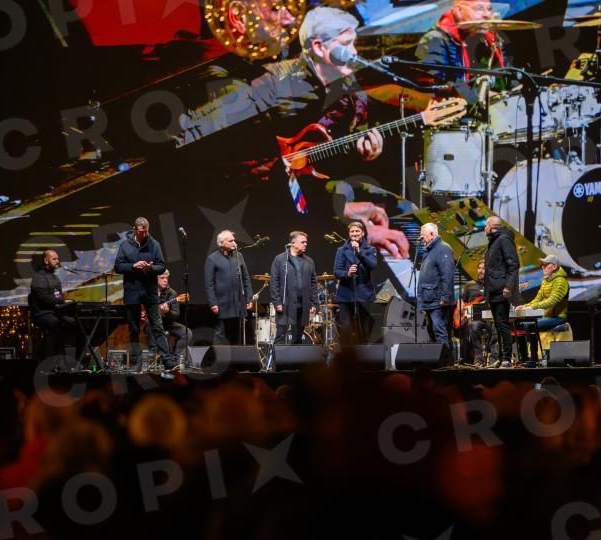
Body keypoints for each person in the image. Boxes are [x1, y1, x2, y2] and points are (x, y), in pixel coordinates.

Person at [173, 6, 410, 259]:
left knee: (399, 206)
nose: (289, 19)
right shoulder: (262, 87)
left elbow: (304, 163)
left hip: (301, 192)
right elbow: (253, 184)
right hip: (259, 219)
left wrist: (362, 156)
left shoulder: (341, 86)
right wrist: (341, 218)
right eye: (276, 8)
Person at [415, 0, 509, 108]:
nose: (487, 15)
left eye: (489, 9)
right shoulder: (434, 39)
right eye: (479, 9)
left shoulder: (482, 39)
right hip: (452, 113)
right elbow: (437, 86)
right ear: (459, 11)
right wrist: (478, 97)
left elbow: (502, 76)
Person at [114, 217, 176, 371]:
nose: (143, 235)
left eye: (146, 232)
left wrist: (151, 268)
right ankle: (137, 361)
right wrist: (133, 266)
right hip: (132, 292)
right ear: (135, 229)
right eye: (141, 232)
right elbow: (118, 266)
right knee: (134, 328)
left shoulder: (154, 244)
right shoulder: (125, 245)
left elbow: (161, 266)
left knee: (157, 326)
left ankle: (167, 360)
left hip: (149, 292)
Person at [28, 250, 86, 370]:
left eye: (58, 259)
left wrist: (65, 302)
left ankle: (77, 363)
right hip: (42, 313)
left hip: (55, 312)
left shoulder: (54, 277)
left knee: (80, 325)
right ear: (46, 260)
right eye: (54, 259)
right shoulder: (38, 277)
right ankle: (57, 363)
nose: (57, 261)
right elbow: (44, 298)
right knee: (56, 324)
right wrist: (63, 301)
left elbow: (57, 296)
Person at [516, 255, 570, 364]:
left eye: (546, 265)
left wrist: (532, 307)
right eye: (542, 265)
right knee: (519, 324)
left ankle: (533, 359)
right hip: (546, 316)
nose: (542, 267)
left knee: (530, 326)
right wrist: (525, 306)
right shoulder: (545, 280)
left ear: (554, 266)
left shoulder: (561, 281)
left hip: (558, 317)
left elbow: (552, 301)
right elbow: (538, 298)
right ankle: (525, 359)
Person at [204, 230, 254, 344]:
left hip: (238, 302)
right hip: (222, 303)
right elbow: (209, 283)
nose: (234, 243)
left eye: (234, 240)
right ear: (222, 243)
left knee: (236, 333)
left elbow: (246, 278)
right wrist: (213, 302)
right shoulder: (212, 258)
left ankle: (235, 354)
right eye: (231, 241)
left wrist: (249, 298)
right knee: (221, 333)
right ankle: (219, 354)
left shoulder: (238, 256)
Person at [483, 215, 519, 367]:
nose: (484, 228)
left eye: (486, 225)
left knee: (503, 324)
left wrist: (508, 286)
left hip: (501, 290)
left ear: (491, 227)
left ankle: (506, 358)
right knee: (498, 325)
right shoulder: (493, 241)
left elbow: (513, 264)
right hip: (493, 290)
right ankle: (500, 357)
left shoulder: (504, 239)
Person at [333, 221, 378, 344]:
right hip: (346, 294)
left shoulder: (370, 249)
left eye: (357, 231)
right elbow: (337, 271)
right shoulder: (341, 250)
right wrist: (347, 274)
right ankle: (347, 354)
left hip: (364, 294)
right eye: (352, 231)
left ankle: (364, 353)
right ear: (349, 234)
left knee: (364, 329)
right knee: (346, 328)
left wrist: (359, 252)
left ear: (362, 233)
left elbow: (372, 265)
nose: (354, 233)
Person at [270, 231, 318, 343]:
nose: (306, 244)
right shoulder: (280, 259)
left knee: (298, 337)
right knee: (281, 335)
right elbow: (274, 282)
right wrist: (277, 302)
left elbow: (313, 283)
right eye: (303, 242)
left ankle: (296, 354)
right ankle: (278, 355)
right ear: (293, 243)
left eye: (306, 242)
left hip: (303, 304)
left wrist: (314, 303)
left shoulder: (309, 261)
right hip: (285, 304)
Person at [417, 223, 455, 353]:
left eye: (423, 235)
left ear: (432, 234)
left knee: (440, 331)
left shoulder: (443, 248)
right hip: (430, 300)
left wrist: (445, 297)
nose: (421, 238)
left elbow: (448, 275)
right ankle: (442, 359)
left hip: (438, 301)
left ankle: (445, 361)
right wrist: (421, 302)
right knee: (432, 331)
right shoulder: (429, 250)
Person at [145, 270, 194, 363]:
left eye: (166, 278)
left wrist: (168, 312)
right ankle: (152, 358)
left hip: (167, 323)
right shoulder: (148, 292)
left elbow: (176, 314)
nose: (165, 280)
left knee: (187, 333)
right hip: (152, 324)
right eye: (162, 278)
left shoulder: (172, 293)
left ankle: (176, 360)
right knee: (150, 324)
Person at [460, 260, 497, 365]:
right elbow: (462, 301)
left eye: (484, 268)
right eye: (479, 268)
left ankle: (494, 358)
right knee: (473, 325)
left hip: (490, 317)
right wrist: (461, 305)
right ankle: (478, 356)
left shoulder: (493, 285)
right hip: (476, 318)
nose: (481, 270)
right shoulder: (469, 285)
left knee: (496, 326)